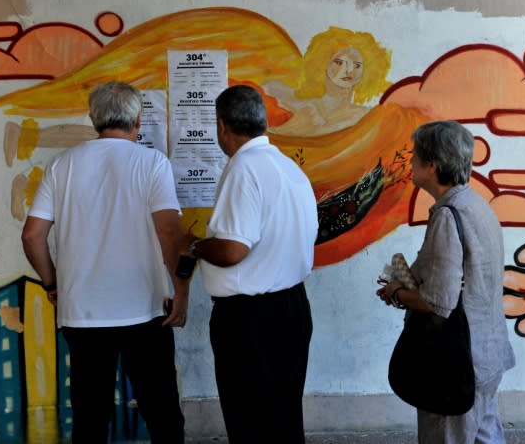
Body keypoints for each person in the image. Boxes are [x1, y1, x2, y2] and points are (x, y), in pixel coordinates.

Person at [20, 81, 189, 444]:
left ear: (93, 118)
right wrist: (181, 289)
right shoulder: (152, 162)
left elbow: (32, 236)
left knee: (89, 414)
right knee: (161, 410)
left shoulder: (62, 164)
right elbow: (171, 234)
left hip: (83, 310)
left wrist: (52, 285)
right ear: (138, 120)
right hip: (145, 308)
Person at [184, 84, 318, 443]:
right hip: (291, 309)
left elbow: (231, 250)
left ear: (222, 126)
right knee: (283, 418)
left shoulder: (243, 168)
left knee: (251, 423)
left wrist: (195, 245)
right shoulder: (288, 168)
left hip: (252, 321)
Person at [376, 120, 516, 444]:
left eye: (415, 157)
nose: (410, 163)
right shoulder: (476, 205)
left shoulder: (447, 214)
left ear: (432, 166)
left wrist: (397, 292)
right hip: (485, 352)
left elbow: (439, 302)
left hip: (456, 361)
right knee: (485, 434)